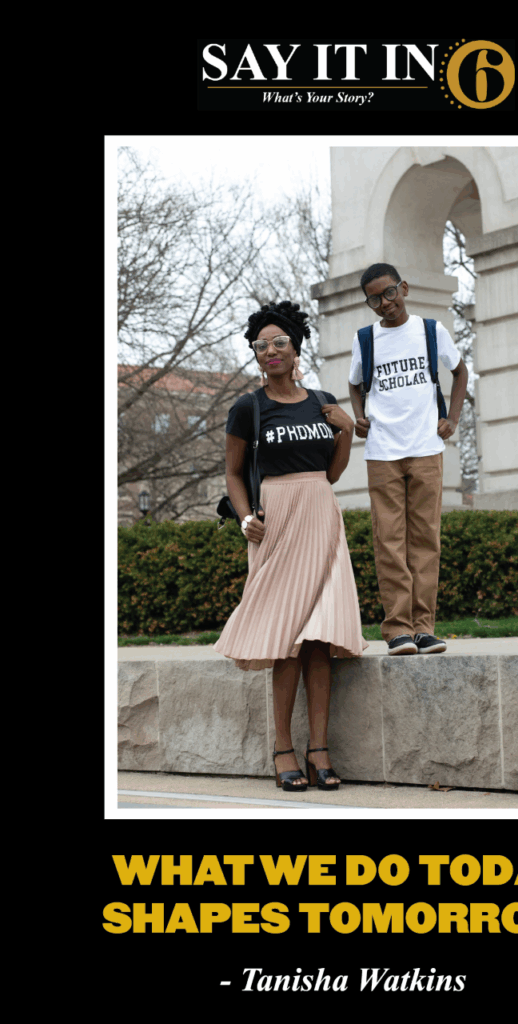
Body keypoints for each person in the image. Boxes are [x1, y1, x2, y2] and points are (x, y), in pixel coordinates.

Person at [214, 300, 368, 793]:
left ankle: (318, 747)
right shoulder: (249, 407)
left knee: (319, 639)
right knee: (287, 640)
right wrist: (243, 520)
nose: (271, 351)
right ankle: (283, 747)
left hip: (322, 515)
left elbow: (334, 473)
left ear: (296, 347)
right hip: (276, 521)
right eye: (261, 345)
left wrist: (344, 430)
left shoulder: (319, 399)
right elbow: (234, 473)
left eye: (279, 342)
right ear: (256, 355)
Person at [348, 263, 469, 655]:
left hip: (426, 448)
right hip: (383, 451)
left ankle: (424, 628)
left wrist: (452, 418)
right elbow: (354, 383)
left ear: (404, 287)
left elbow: (460, 371)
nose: (384, 303)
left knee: (425, 540)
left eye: (389, 293)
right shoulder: (365, 340)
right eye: (374, 299)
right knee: (389, 541)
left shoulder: (431, 331)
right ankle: (398, 630)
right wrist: (360, 417)